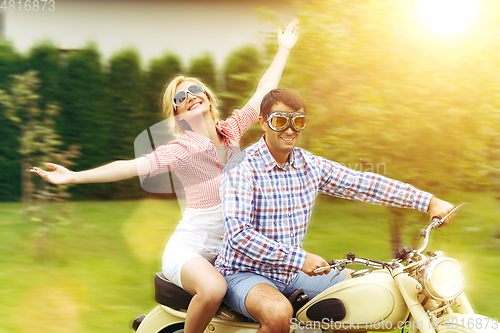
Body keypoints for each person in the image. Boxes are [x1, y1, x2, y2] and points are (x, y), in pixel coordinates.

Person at [30, 21, 300, 333]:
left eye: (195, 89)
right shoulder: (182, 148)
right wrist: (74, 177)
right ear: (177, 114)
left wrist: (283, 48)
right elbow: (130, 166)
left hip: (230, 250)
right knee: (213, 290)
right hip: (191, 249)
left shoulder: (232, 130)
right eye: (180, 97)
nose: (190, 96)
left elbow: (263, 92)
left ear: (208, 97)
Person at [215, 88, 455, 333]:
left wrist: (427, 202)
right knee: (278, 314)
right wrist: (300, 259)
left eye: (297, 122)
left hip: (292, 274)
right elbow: (239, 235)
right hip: (243, 273)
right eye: (279, 121)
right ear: (263, 123)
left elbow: (363, 184)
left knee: (366, 294)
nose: (289, 130)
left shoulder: (309, 165)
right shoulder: (240, 168)